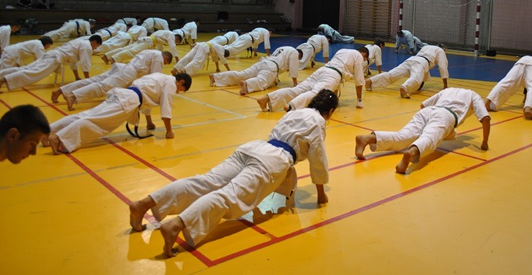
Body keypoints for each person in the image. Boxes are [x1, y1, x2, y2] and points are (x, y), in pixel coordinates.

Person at [128, 89, 338, 258]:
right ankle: (176, 225)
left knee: (205, 182)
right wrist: (321, 193)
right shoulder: (318, 122)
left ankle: (144, 204)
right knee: (228, 197)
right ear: (329, 111)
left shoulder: (295, 112)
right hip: (273, 160)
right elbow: (317, 159)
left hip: (254, 148)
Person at [45, 72, 192, 154]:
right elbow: (166, 111)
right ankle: (58, 138)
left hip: (123, 94)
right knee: (95, 121)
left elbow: (146, 93)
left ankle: (47, 132)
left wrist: (149, 122)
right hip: (127, 101)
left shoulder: (160, 76)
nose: (178, 92)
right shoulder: (171, 84)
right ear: (180, 82)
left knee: (86, 115)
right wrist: (169, 131)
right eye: (181, 90)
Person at [355, 87, 490, 174]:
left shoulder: (448, 90)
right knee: (429, 138)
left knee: (403, 136)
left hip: (428, 111)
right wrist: (484, 143)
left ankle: (368, 138)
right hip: (446, 115)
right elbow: (485, 118)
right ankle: (411, 154)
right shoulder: (474, 95)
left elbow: (423, 105)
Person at [52, 50, 172, 110]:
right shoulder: (159, 57)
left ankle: (61, 90)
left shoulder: (149, 51)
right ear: (166, 58)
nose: (164, 64)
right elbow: (155, 76)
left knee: (93, 80)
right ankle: (73, 96)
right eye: (165, 62)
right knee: (102, 87)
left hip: (122, 67)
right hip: (128, 73)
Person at [257, 47, 368, 112]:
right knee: (316, 93)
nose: (363, 61)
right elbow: (359, 81)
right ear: (364, 55)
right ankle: (292, 106)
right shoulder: (358, 56)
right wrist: (359, 100)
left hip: (322, 70)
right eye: (365, 59)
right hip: (333, 74)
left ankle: (267, 98)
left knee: (298, 90)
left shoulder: (343, 50)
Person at [0, 35, 102, 91]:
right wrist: (88, 80)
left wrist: (77, 77)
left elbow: (74, 62)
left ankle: (2, 75)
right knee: (33, 73)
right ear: (94, 42)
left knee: (26, 69)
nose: (96, 48)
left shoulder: (80, 41)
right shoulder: (87, 46)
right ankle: (5, 79)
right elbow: (85, 63)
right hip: (54, 58)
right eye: (97, 46)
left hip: (51, 55)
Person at [485, 54, 532, 120]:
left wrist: (525, 98)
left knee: (507, 82)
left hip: (523, 60)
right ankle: (529, 107)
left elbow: (526, 81)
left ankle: (489, 102)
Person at [366, 43, 449, 98]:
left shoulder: (426, 47)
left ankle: (371, 81)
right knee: (416, 77)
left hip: (411, 59)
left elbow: (424, 75)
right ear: (444, 49)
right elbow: (443, 67)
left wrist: (419, 87)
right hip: (422, 62)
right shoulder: (440, 51)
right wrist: (445, 85)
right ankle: (405, 88)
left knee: (392, 74)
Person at [210, 46, 301, 95]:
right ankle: (247, 84)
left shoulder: (283, 48)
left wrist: (275, 78)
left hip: (263, 62)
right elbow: (293, 68)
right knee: (262, 81)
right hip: (270, 67)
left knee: (242, 74)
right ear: (299, 55)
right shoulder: (295, 53)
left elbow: (279, 62)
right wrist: (295, 84)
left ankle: (216, 77)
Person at [107, 29, 180, 64]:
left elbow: (160, 47)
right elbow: (172, 46)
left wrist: (160, 55)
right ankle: (113, 58)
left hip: (146, 39)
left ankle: (107, 55)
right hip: (149, 42)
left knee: (127, 48)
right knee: (133, 51)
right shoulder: (171, 35)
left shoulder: (165, 32)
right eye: (177, 41)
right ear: (177, 38)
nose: (175, 42)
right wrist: (176, 58)